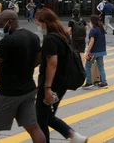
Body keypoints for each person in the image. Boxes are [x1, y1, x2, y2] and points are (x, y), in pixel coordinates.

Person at [0, 10, 46, 143]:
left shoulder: (8, 41)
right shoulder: (33, 37)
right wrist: (25, 67)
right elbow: (39, 58)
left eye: (0, 23)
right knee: (33, 127)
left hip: (8, 93)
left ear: (10, 22)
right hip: (28, 89)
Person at [35, 9, 87, 143]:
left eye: (39, 24)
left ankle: (72, 136)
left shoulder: (51, 39)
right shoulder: (63, 35)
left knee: (41, 119)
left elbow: (52, 63)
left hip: (51, 85)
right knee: (48, 116)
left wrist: (47, 88)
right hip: (61, 84)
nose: (39, 27)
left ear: (45, 23)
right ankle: (74, 136)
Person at [82, 15, 108, 89]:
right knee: (101, 67)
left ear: (93, 22)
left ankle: (89, 82)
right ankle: (104, 82)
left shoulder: (93, 30)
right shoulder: (101, 29)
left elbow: (91, 42)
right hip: (101, 51)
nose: (89, 23)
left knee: (87, 66)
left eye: (90, 21)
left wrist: (87, 52)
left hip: (93, 52)